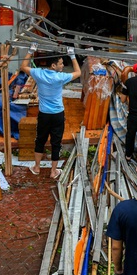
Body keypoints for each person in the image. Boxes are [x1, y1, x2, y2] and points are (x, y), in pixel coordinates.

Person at [21, 44, 81, 179]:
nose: (62, 66)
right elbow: (78, 72)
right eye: (60, 63)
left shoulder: (39, 74)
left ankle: (36, 167)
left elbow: (23, 67)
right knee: (56, 142)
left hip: (44, 115)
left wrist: (30, 51)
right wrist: (72, 55)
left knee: (40, 140)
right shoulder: (60, 77)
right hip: (57, 115)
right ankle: (53, 171)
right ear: (53, 66)